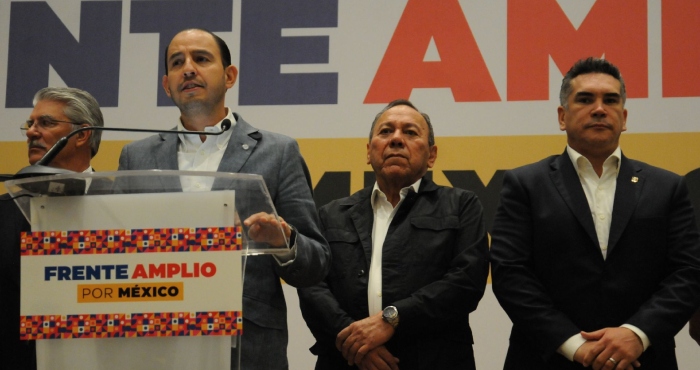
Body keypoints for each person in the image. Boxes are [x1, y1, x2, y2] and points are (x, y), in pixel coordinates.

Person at [117, 28, 330, 370]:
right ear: (166, 84)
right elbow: (114, 254)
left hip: (247, 348)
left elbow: (317, 263)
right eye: (177, 62)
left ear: (229, 76)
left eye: (201, 59)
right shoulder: (136, 158)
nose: (188, 69)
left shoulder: (277, 152)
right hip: (156, 344)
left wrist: (283, 241)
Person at [490, 57, 700, 370]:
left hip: (642, 359)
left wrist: (635, 334)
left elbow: (688, 272)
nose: (599, 108)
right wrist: (575, 346)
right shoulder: (525, 184)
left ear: (624, 117)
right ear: (562, 117)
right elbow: (510, 273)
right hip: (547, 359)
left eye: (611, 100)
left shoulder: (667, 187)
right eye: (585, 99)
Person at [298, 99, 490, 370]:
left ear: (431, 155)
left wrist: (392, 318)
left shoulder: (461, 206)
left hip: (435, 360)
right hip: (346, 361)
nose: (396, 139)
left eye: (410, 132)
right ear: (369, 151)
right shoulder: (331, 214)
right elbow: (312, 285)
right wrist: (358, 344)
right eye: (386, 131)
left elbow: (466, 282)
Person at [1, 86, 105, 370]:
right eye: (30, 124)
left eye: (46, 123)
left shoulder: (122, 206)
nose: (31, 132)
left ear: (82, 135)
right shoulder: (3, 211)